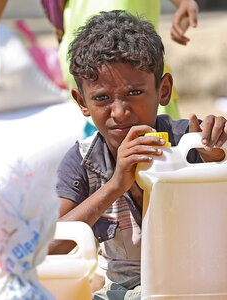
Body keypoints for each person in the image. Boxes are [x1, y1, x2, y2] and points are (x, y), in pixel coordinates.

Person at [51, 10, 227, 299]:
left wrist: (217, 162)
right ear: (82, 103)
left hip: (197, 286)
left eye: (134, 93)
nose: (119, 112)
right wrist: (115, 185)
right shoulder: (84, 162)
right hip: (124, 291)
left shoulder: (189, 144)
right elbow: (50, 245)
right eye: (101, 98)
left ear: (163, 90)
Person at [0, 0, 198, 137]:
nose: (118, 112)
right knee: (105, 167)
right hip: (88, 80)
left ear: (164, 89)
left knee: (161, 162)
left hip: (139, 82)